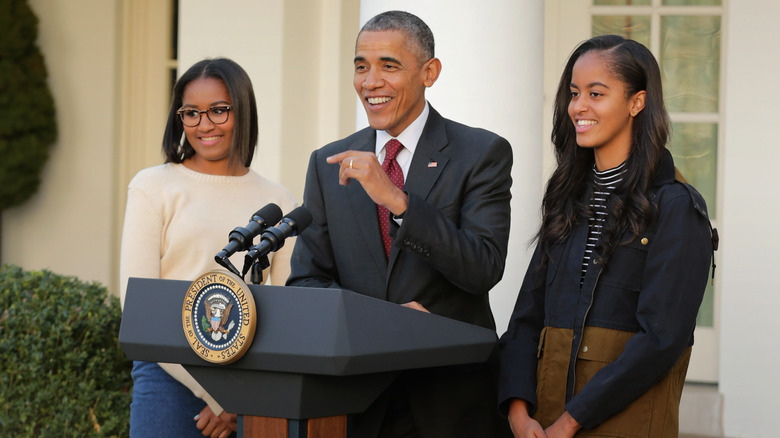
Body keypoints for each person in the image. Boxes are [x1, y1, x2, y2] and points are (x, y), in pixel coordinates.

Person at [286, 10, 513, 438]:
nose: (370, 82)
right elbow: (306, 282)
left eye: (388, 66)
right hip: (358, 403)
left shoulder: (481, 153)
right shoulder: (327, 162)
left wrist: (400, 203)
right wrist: (382, 322)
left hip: (451, 402)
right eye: (361, 66)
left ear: (429, 72)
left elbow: (483, 266)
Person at [497, 35, 717, 437]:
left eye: (596, 94)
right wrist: (517, 410)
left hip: (624, 424)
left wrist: (570, 421)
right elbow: (526, 318)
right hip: (541, 423)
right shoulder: (567, 199)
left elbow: (661, 339)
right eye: (575, 93)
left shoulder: (677, 207)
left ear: (637, 102)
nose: (578, 106)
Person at [119, 58, 298, 438]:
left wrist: (241, 399)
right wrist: (217, 398)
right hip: (168, 377)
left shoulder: (277, 199)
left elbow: (287, 310)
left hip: (250, 387)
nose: (204, 125)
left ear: (243, 111)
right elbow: (138, 306)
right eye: (191, 113)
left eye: (219, 110)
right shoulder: (153, 187)